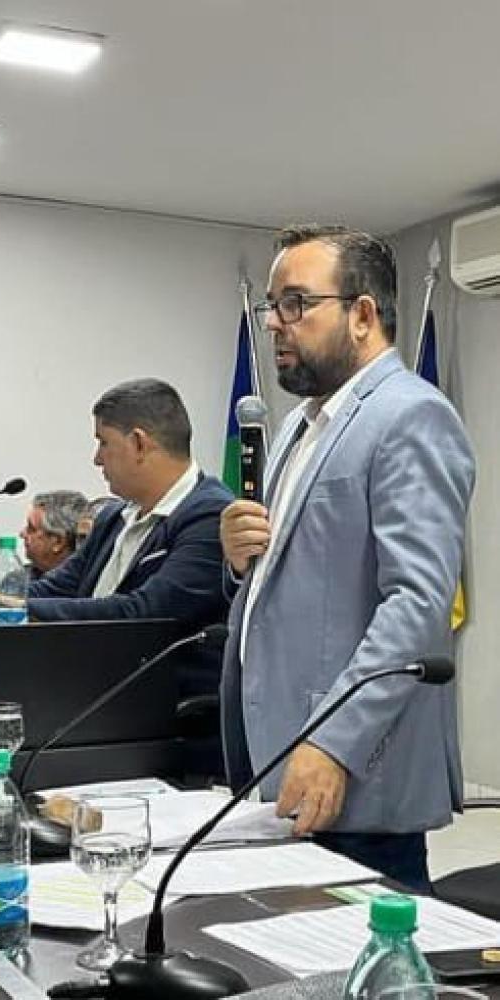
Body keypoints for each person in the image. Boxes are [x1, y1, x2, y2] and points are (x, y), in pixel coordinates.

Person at [219, 224, 475, 891]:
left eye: (295, 303)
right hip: (278, 760)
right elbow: (296, 581)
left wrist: (333, 741)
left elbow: (417, 604)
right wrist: (239, 558)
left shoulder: (410, 415)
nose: (273, 322)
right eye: (271, 305)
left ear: (362, 314)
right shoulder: (297, 426)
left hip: (352, 776)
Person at [0, 379, 233, 697]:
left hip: (159, 705)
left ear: (139, 444)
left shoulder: (210, 515)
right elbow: (57, 588)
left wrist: (13, 607)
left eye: (103, 443)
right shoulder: (113, 517)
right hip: (86, 688)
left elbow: (146, 614)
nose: (97, 459)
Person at [20, 491, 88, 579]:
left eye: (31, 529)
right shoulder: (17, 578)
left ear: (58, 542)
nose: (22, 534)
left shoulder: (89, 583)